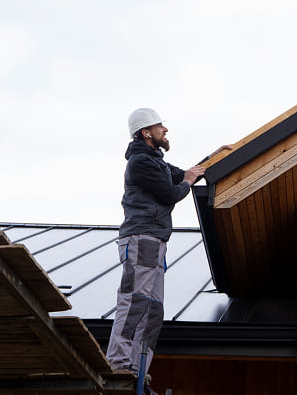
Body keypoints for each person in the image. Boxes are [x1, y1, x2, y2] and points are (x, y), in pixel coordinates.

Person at [106, 107, 232, 388]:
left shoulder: (157, 163)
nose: (166, 130)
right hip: (141, 239)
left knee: (153, 310)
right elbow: (171, 192)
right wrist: (187, 181)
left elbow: (187, 174)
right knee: (134, 301)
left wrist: (216, 157)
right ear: (146, 132)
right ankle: (118, 365)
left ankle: (137, 369)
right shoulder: (140, 162)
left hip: (155, 242)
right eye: (160, 126)